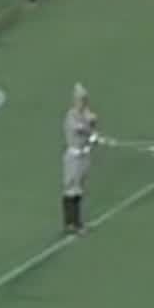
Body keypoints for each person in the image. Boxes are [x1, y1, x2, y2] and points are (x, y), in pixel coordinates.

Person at [63, 83, 99, 234]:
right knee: (72, 189)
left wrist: (94, 134)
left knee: (80, 189)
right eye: (80, 100)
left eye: (84, 100)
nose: (83, 102)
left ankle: (75, 222)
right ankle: (72, 223)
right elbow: (80, 129)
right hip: (74, 157)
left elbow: (91, 129)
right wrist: (89, 127)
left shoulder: (86, 114)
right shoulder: (71, 116)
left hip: (84, 155)